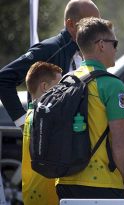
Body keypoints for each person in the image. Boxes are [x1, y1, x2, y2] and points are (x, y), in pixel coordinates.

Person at [55, 17, 124, 199]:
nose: (116, 49)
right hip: (102, 183)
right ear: (102, 45)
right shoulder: (112, 85)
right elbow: (120, 141)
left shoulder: (66, 80)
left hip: (64, 181)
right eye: (115, 43)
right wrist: (122, 179)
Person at [0, 0, 100, 128]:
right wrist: (24, 124)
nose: (97, 30)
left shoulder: (88, 52)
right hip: (47, 141)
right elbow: (4, 79)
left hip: (74, 140)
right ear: (70, 24)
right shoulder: (49, 49)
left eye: (98, 24)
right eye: (90, 23)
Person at [22, 61, 62, 205]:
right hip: (46, 195)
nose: (63, 91)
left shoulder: (31, 114)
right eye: (59, 86)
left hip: (33, 191)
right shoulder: (42, 117)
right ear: (45, 87)